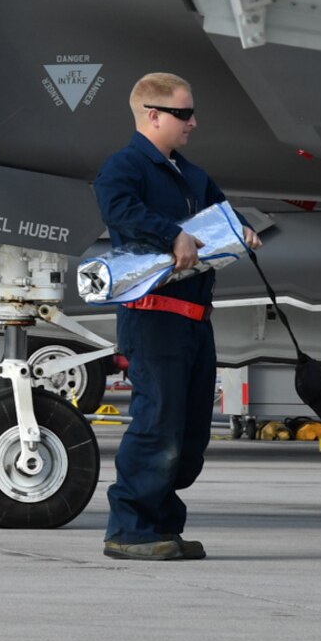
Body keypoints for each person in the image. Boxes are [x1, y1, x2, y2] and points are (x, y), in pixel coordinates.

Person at [93, 72, 259, 562]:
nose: (193, 122)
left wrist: (243, 229)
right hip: (154, 319)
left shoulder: (191, 174)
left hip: (192, 320)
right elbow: (119, 211)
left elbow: (221, 214)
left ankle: (162, 525)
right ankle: (129, 530)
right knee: (157, 423)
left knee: (188, 432)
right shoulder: (123, 168)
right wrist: (173, 234)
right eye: (184, 114)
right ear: (153, 115)